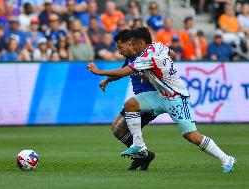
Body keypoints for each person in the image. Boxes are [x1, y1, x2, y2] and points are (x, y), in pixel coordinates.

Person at [87, 27, 236, 173]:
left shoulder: (146, 58)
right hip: (159, 95)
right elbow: (172, 52)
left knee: (191, 136)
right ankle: (139, 146)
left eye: (133, 44)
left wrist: (99, 72)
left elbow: (124, 71)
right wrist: (159, 70)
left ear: (142, 43)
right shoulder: (158, 46)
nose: (131, 46)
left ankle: (226, 158)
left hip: (176, 98)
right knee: (130, 104)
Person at [100, 29, 156, 170]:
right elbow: (121, 72)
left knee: (120, 130)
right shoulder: (130, 59)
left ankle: (143, 155)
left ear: (130, 44)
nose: (118, 51)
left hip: (148, 102)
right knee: (115, 128)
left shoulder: (144, 56)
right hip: (137, 101)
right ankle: (142, 156)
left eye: (120, 47)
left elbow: (167, 55)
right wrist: (107, 80)